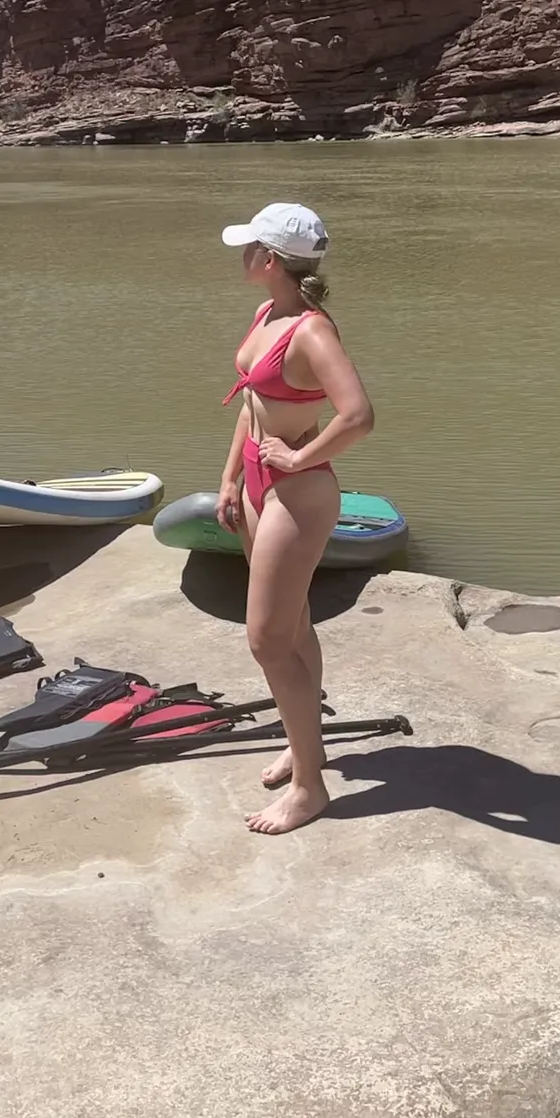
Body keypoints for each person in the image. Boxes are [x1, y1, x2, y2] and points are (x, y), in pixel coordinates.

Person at [217, 203, 375, 834]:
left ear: (272, 260)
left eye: (249, 246)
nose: (241, 254)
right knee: (294, 627)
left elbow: (358, 416)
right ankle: (302, 740)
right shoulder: (267, 313)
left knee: (265, 639)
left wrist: (300, 455)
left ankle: (311, 788)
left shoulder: (311, 331)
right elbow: (252, 405)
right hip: (259, 485)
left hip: (298, 495)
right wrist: (229, 478)